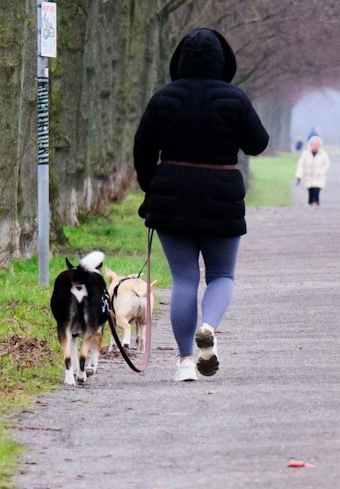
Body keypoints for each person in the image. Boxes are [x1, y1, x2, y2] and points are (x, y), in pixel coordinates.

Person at [132, 28, 269, 382]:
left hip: (171, 196)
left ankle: (184, 362)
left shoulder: (163, 98)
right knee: (221, 275)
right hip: (221, 197)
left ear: (180, 60)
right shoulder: (234, 98)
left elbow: (143, 150)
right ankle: (208, 326)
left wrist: (153, 189)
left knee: (184, 279)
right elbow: (258, 143)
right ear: (223, 62)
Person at [295, 135, 329, 206]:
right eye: (313, 144)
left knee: (316, 191)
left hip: (318, 176)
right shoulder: (305, 154)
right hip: (309, 176)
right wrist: (298, 176)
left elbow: (326, 165)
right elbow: (301, 165)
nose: (315, 146)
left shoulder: (323, 154)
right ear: (310, 145)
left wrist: (321, 172)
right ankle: (311, 205)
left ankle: (316, 204)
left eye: (316, 144)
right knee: (310, 191)